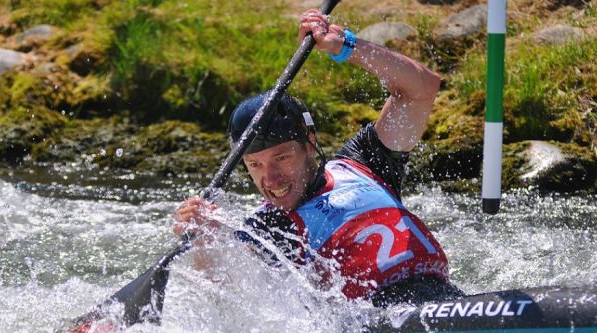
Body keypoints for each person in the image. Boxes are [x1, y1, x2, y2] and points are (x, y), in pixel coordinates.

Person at [173, 10, 464, 306]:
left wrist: (345, 46)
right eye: (256, 165)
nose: (270, 179)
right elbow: (229, 297)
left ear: (310, 144)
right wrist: (203, 240)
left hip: (448, 302)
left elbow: (421, 89)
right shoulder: (269, 228)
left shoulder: (364, 163)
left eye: (282, 157)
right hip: (381, 327)